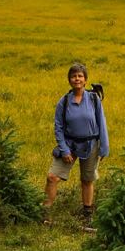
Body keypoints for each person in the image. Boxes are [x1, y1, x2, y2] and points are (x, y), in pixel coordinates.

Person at [43, 63, 109, 228]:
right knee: (52, 177)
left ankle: (87, 214)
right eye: (74, 76)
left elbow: (102, 123)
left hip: (91, 144)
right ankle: (45, 213)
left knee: (87, 180)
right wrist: (64, 150)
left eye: (80, 76)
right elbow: (58, 127)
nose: (77, 79)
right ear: (69, 80)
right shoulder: (64, 102)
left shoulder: (94, 99)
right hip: (69, 144)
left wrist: (104, 147)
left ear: (85, 80)